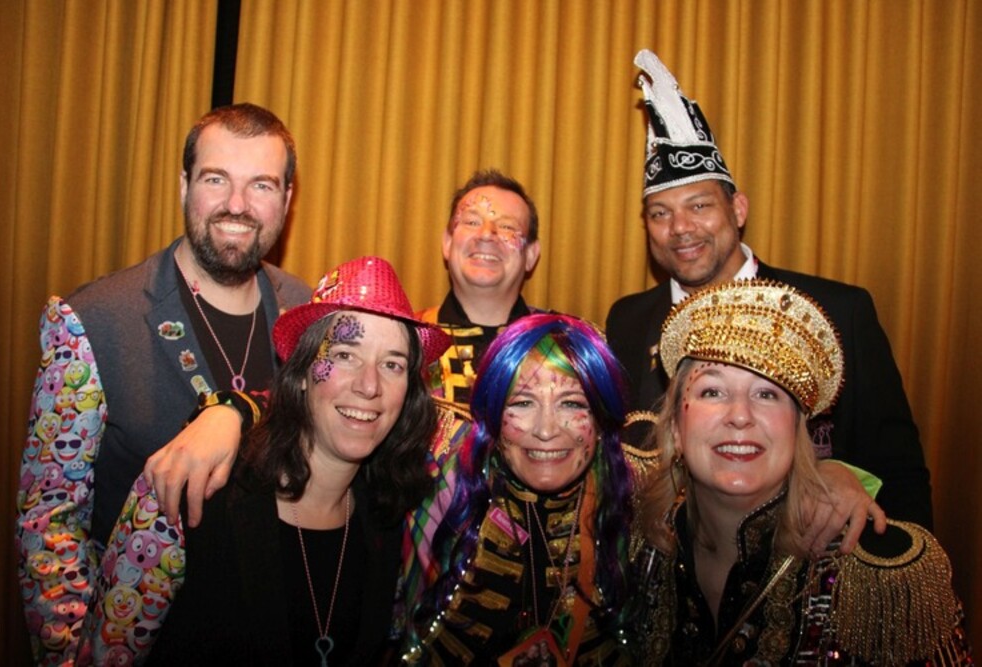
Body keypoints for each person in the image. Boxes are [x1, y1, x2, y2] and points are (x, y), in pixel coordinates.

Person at [15, 102, 311, 664]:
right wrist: (73, 654)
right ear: (184, 186)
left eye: (262, 185)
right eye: (216, 179)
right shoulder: (93, 320)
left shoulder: (307, 311)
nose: (237, 204)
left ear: (287, 199)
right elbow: (49, 522)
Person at [605, 49, 933, 528]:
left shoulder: (838, 311)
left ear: (737, 210)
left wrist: (850, 487)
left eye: (699, 206)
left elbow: (898, 470)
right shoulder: (628, 320)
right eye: (660, 213)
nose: (680, 228)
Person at [79, 256, 451, 665]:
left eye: (393, 364)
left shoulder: (389, 515)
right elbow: (105, 653)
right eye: (345, 355)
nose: (369, 385)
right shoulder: (190, 488)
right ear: (303, 371)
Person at [628, 279, 970, 665]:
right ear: (675, 426)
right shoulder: (636, 549)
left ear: (797, 430)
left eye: (767, 394)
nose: (739, 415)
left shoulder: (882, 581)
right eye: (712, 392)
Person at [400, 313, 653, 665]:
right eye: (522, 403)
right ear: (493, 416)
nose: (546, 430)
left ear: (600, 419)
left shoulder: (632, 503)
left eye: (572, 403)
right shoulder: (448, 492)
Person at [418, 169, 543, 409]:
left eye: (507, 226)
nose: (486, 234)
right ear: (447, 243)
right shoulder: (408, 343)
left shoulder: (563, 346)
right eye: (472, 222)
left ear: (531, 254)